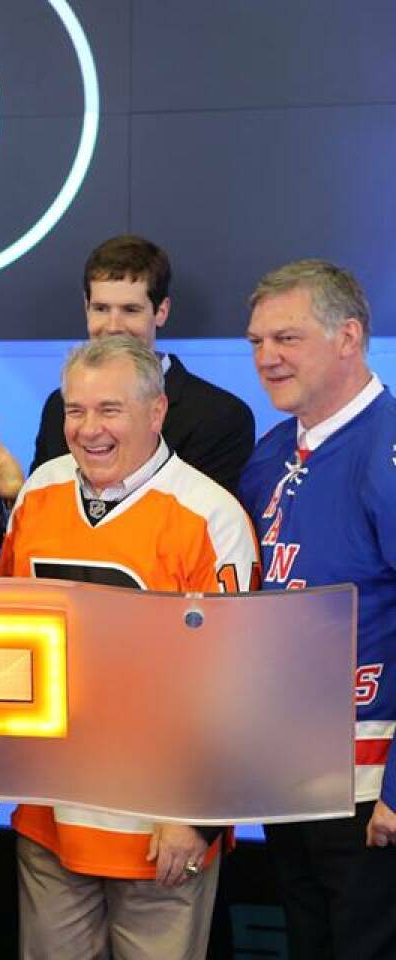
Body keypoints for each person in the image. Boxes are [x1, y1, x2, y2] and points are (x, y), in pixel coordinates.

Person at [0, 334, 257, 959]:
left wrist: (194, 816)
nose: (89, 429)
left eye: (109, 410)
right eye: (75, 410)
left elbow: (237, 679)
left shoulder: (209, 514)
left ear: (156, 412)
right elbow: (5, 632)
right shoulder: (39, 494)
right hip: (50, 816)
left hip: (158, 825)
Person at [238, 259, 396, 959]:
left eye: (287, 338)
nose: (267, 357)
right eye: (256, 341)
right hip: (288, 772)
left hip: (369, 780)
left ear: (349, 337)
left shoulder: (385, 450)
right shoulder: (271, 454)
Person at [0, 235, 255, 540]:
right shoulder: (59, 405)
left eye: (130, 310)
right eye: (100, 308)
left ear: (161, 311)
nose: (113, 326)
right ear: (86, 309)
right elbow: (35, 544)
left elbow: (204, 534)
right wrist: (18, 497)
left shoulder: (219, 415)